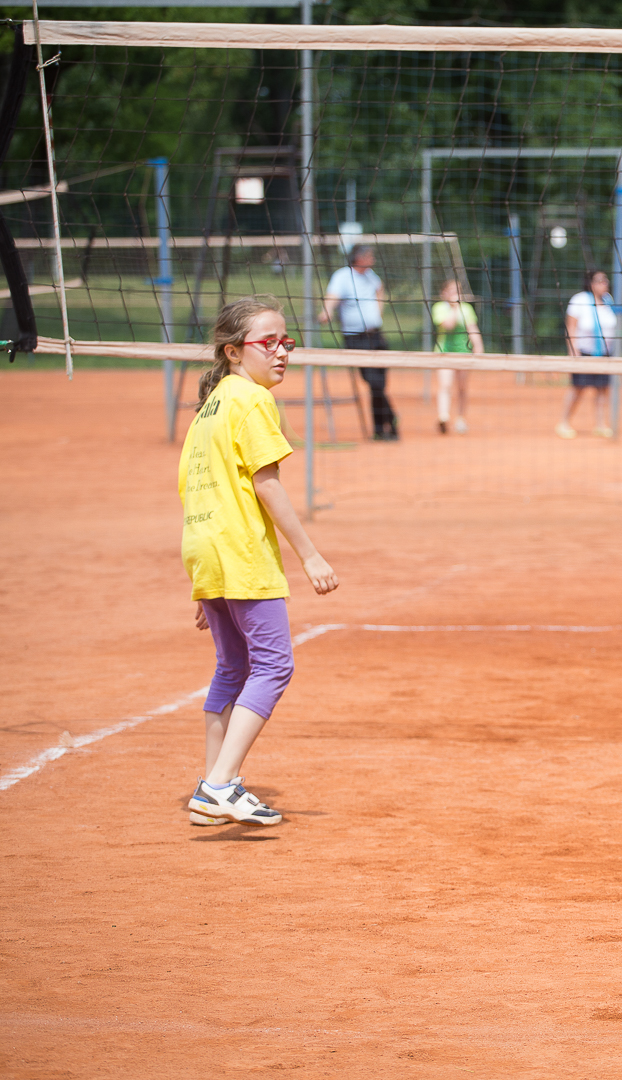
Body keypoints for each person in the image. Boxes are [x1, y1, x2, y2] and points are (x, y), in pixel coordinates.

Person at [180, 297, 339, 827]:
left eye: (284, 341)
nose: (281, 352)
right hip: (241, 552)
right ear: (233, 351)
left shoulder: (211, 406)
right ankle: (220, 784)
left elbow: (193, 489)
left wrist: (206, 578)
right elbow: (266, 485)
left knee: (233, 666)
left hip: (209, 549)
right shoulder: (251, 400)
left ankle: (211, 787)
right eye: (267, 343)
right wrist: (310, 555)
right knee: (274, 666)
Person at [320, 245, 396, 441]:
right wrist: (327, 311)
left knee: (379, 383)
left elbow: (380, 289)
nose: (373, 259)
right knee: (373, 382)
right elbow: (332, 296)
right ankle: (390, 420)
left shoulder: (371, 275)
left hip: (376, 335)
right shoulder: (343, 276)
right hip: (356, 338)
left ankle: (383, 428)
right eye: (369, 256)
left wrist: (378, 312)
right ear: (358, 258)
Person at [559, 269, 617, 439]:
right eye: (600, 281)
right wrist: (573, 351)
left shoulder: (608, 300)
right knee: (578, 388)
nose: (605, 283)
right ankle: (564, 422)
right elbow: (571, 327)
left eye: (605, 280)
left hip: (604, 354)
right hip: (584, 353)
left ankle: (600, 424)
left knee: (602, 390)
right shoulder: (579, 300)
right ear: (590, 283)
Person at [431, 278, 483, 435]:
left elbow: (472, 329)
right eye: (452, 291)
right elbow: (448, 325)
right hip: (444, 353)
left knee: (462, 388)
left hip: (464, 353)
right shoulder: (439, 307)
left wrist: (478, 347)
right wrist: (454, 308)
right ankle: (443, 417)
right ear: (444, 293)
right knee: (445, 385)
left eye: (458, 291)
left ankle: (460, 419)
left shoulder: (466, 309)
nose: (456, 294)